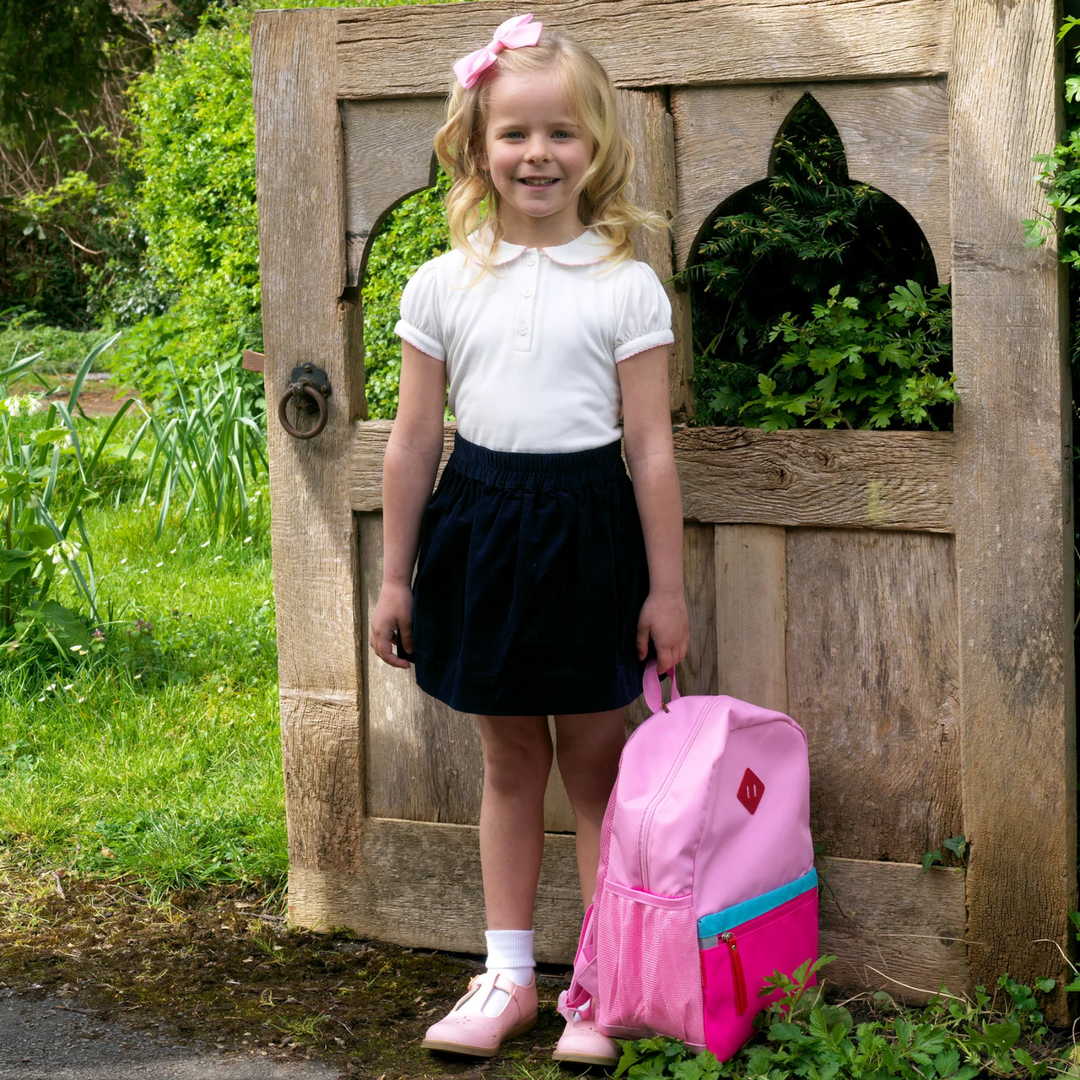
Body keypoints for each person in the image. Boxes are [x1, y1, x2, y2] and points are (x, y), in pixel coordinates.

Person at [370, 13, 689, 1066]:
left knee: (597, 770)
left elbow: (649, 450)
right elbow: (415, 442)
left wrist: (668, 591)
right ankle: (507, 976)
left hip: (593, 537)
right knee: (509, 762)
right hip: (480, 531)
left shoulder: (625, 283)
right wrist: (394, 578)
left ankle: (596, 989)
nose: (537, 154)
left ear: (595, 150)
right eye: (514, 134)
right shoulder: (441, 283)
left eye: (561, 134)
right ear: (474, 146)